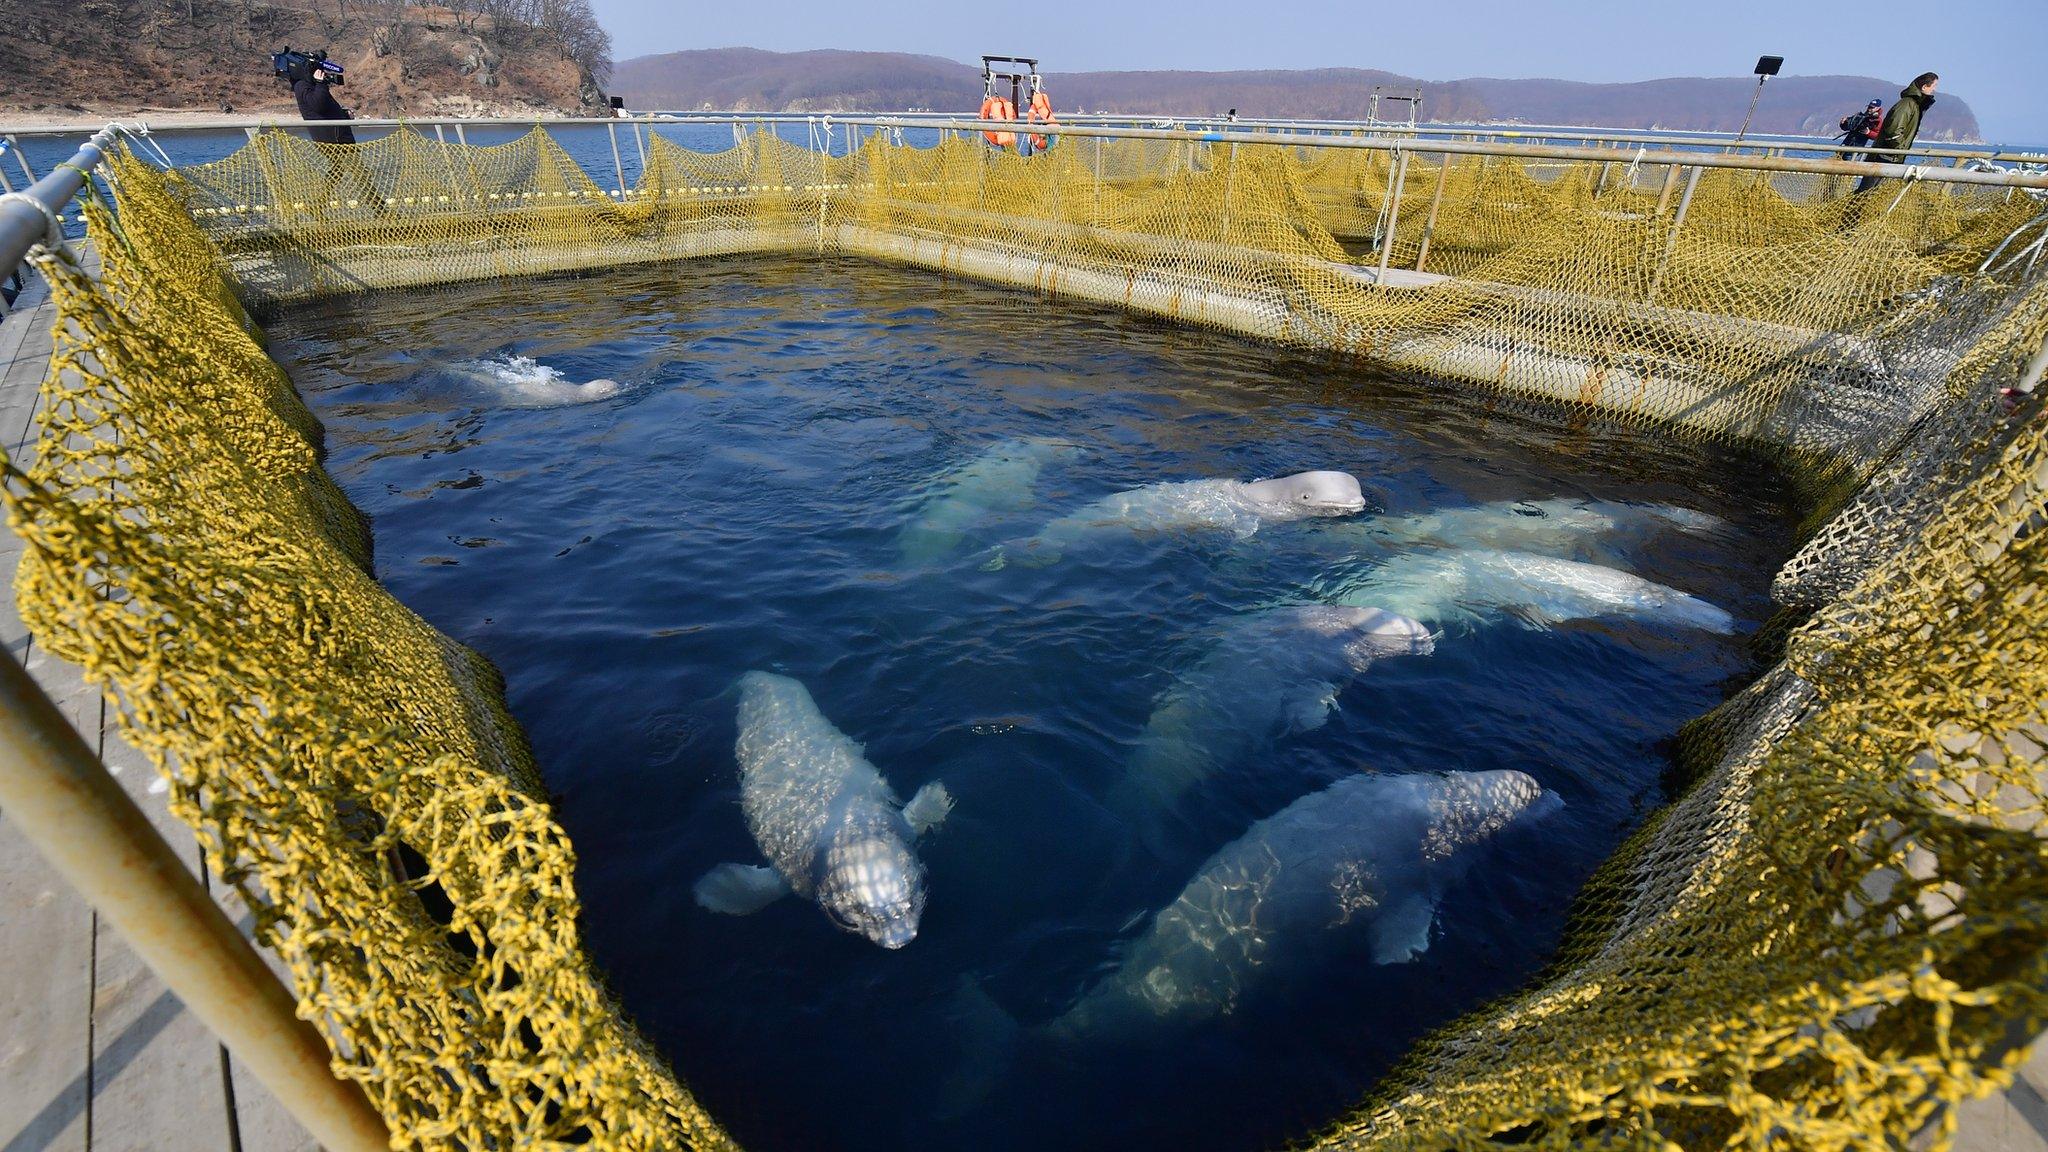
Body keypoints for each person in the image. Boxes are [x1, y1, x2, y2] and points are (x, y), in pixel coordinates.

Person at [1856, 72, 1938, 193]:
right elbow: (1893, 131)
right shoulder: (1907, 104)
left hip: (1889, 157)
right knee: (1867, 194)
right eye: (1934, 86)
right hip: (1885, 158)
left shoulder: (1914, 105)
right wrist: (1900, 148)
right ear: (1924, 87)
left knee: (1874, 194)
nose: (1934, 90)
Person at [292, 63, 356, 146]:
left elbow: (326, 108)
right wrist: (320, 83)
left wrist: (344, 114)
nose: (324, 75)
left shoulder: (316, 87)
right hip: (332, 141)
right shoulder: (302, 86)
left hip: (341, 137)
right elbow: (318, 105)